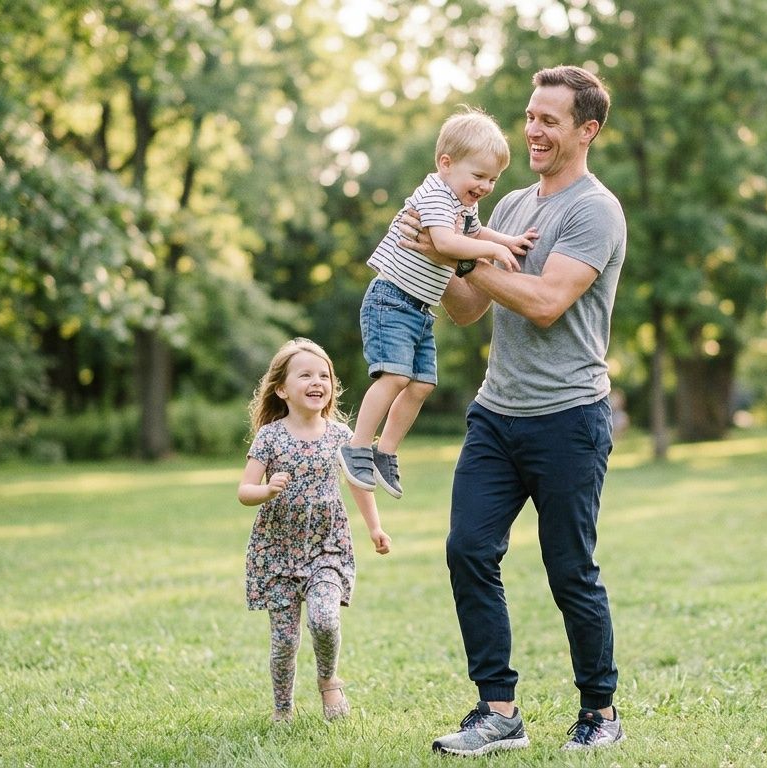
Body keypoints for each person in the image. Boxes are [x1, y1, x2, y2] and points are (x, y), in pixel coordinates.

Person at [402, 66, 628, 754]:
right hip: (497, 414)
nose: (531, 130)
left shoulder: (594, 209)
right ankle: (496, 710)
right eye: (530, 116)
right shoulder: (508, 209)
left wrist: (465, 260)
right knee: (467, 549)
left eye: (549, 120)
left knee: (569, 569)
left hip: (568, 419)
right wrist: (435, 255)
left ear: (586, 130)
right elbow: (471, 311)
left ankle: (600, 713)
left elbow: (543, 302)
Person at [338, 108, 537, 500]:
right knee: (394, 377)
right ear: (446, 164)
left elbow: (473, 229)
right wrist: (492, 249)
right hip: (391, 300)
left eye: (493, 179)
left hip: (420, 309)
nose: (485, 186)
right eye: (478, 176)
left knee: (422, 384)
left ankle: (385, 452)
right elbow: (446, 244)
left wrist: (506, 240)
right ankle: (357, 445)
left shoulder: (460, 202)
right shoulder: (434, 195)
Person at [237, 338, 392, 723]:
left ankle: (328, 681)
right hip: (277, 549)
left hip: (326, 545)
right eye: (305, 375)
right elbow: (244, 491)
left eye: (324, 375)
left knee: (324, 617)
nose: (317, 381)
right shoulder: (269, 437)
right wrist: (267, 489)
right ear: (282, 389)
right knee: (284, 640)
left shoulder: (342, 435)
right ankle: (282, 709)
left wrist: (375, 528)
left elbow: (358, 482)